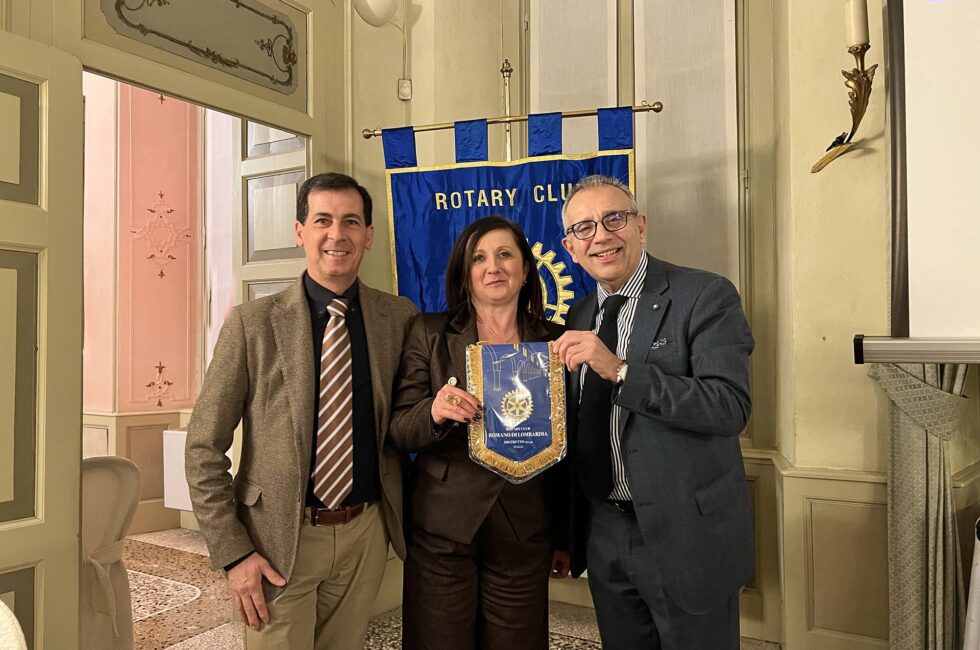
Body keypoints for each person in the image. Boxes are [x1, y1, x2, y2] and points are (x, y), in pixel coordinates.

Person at [184, 172, 418, 650]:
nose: (337, 234)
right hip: (276, 540)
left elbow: (409, 421)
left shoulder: (398, 318)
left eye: (351, 221)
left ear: (369, 235)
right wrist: (233, 554)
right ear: (300, 231)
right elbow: (203, 447)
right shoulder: (252, 323)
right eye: (322, 220)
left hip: (365, 533)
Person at [554, 175, 754, 649]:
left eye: (614, 219)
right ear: (570, 248)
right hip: (605, 530)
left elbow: (728, 406)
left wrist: (621, 371)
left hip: (686, 533)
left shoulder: (704, 295)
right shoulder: (578, 316)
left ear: (640, 225)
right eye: (584, 228)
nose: (601, 236)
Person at [390, 215, 571, 650]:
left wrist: (566, 536)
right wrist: (434, 412)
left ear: (525, 270)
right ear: (464, 272)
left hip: (525, 528)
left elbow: (571, 447)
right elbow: (400, 429)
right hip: (442, 527)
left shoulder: (557, 342)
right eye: (479, 258)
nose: (493, 267)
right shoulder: (429, 332)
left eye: (505, 255)